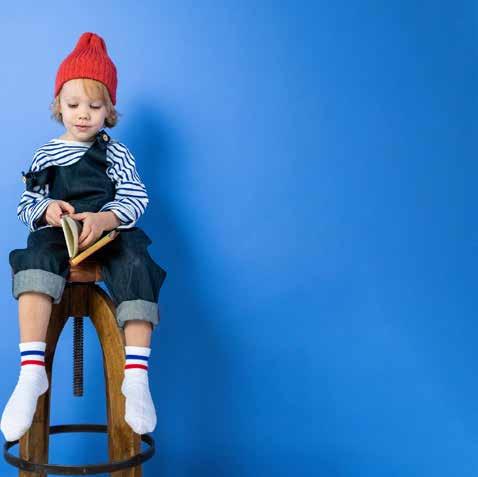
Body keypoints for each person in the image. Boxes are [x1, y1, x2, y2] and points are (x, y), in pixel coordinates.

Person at [0, 32, 167, 442]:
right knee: (34, 256)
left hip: (109, 235)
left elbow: (135, 196)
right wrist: (47, 210)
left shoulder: (116, 153)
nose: (83, 115)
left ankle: (136, 377)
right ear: (58, 104)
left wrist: (107, 218)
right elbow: (27, 202)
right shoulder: (46, 154)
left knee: (137, 262)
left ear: (109, 110)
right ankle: (31, 371)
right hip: (62, 235)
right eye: (74, 105)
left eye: (95, 106)